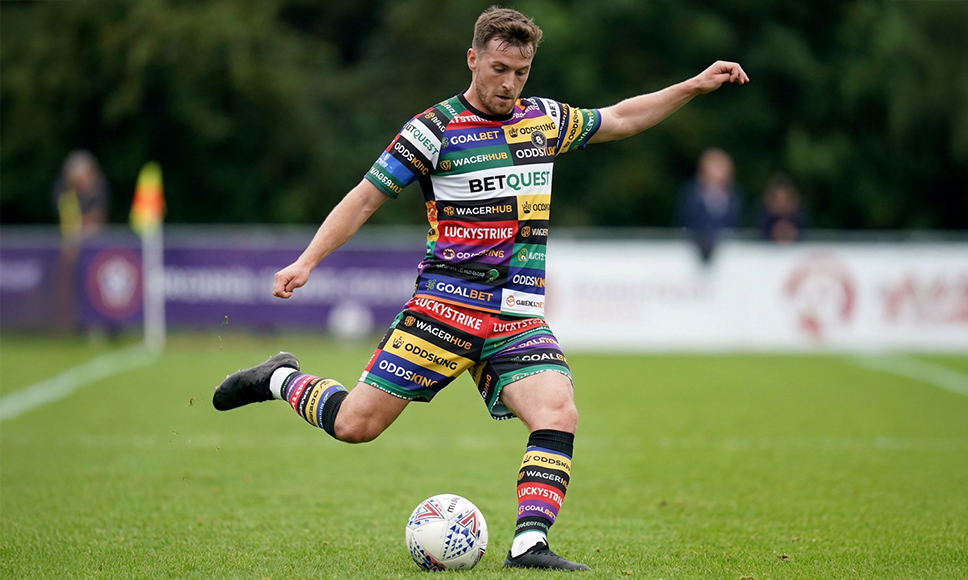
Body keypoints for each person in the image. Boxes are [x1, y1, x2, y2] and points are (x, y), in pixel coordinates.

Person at [214, 6, 748, 571]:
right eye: (499, 69)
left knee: (558, 411)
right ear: (472, 59)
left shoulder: (542, 120)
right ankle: (277, 377)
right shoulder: (432, 130)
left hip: (516, 315)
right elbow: (364, 197)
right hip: (444, 310)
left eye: (521, 72)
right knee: (355, 426)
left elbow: (620, 118)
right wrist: (307, 261)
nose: (509, 83)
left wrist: (693, 84)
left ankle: (528, 544)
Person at [50, 149, 110, 332]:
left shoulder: (98, 187)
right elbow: (68, 220)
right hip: (71, 247)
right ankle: (70, 325)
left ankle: (98, 325)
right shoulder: (64, 190)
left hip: (93, 249)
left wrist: (81, 231)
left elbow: (96, 220)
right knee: (69, 288)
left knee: (96, 288)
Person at [677, 147, 741, 263]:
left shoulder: (735, 195)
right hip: (694, 250)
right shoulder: (692, 193)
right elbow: (685, 219)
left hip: (727, 253)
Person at [757, 173, 807, 243]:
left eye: (784, 200)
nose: (781, 204)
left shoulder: (799, 218)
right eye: (778, 200)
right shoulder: (763, 218)